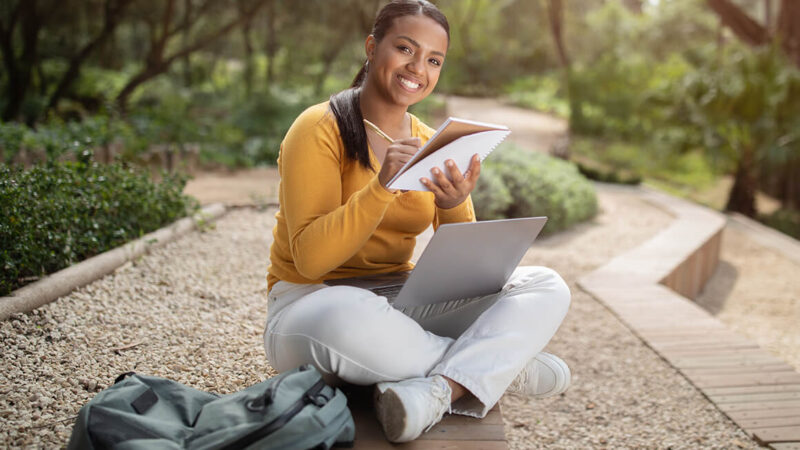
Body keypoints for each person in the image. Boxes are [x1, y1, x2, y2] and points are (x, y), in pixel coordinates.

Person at [263, 0, 571, 443]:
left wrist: (456, 202)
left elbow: (466, 273)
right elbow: (311, 261)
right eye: (405, 49)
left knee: (546, 283)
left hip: (402, 306)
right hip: (312, 306)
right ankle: (500, 369)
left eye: (433, 60)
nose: (417, 68)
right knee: (347, 315)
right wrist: (381, 188)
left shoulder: (434, 142)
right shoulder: (319, 127)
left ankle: (438, 390)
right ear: (372, 47)